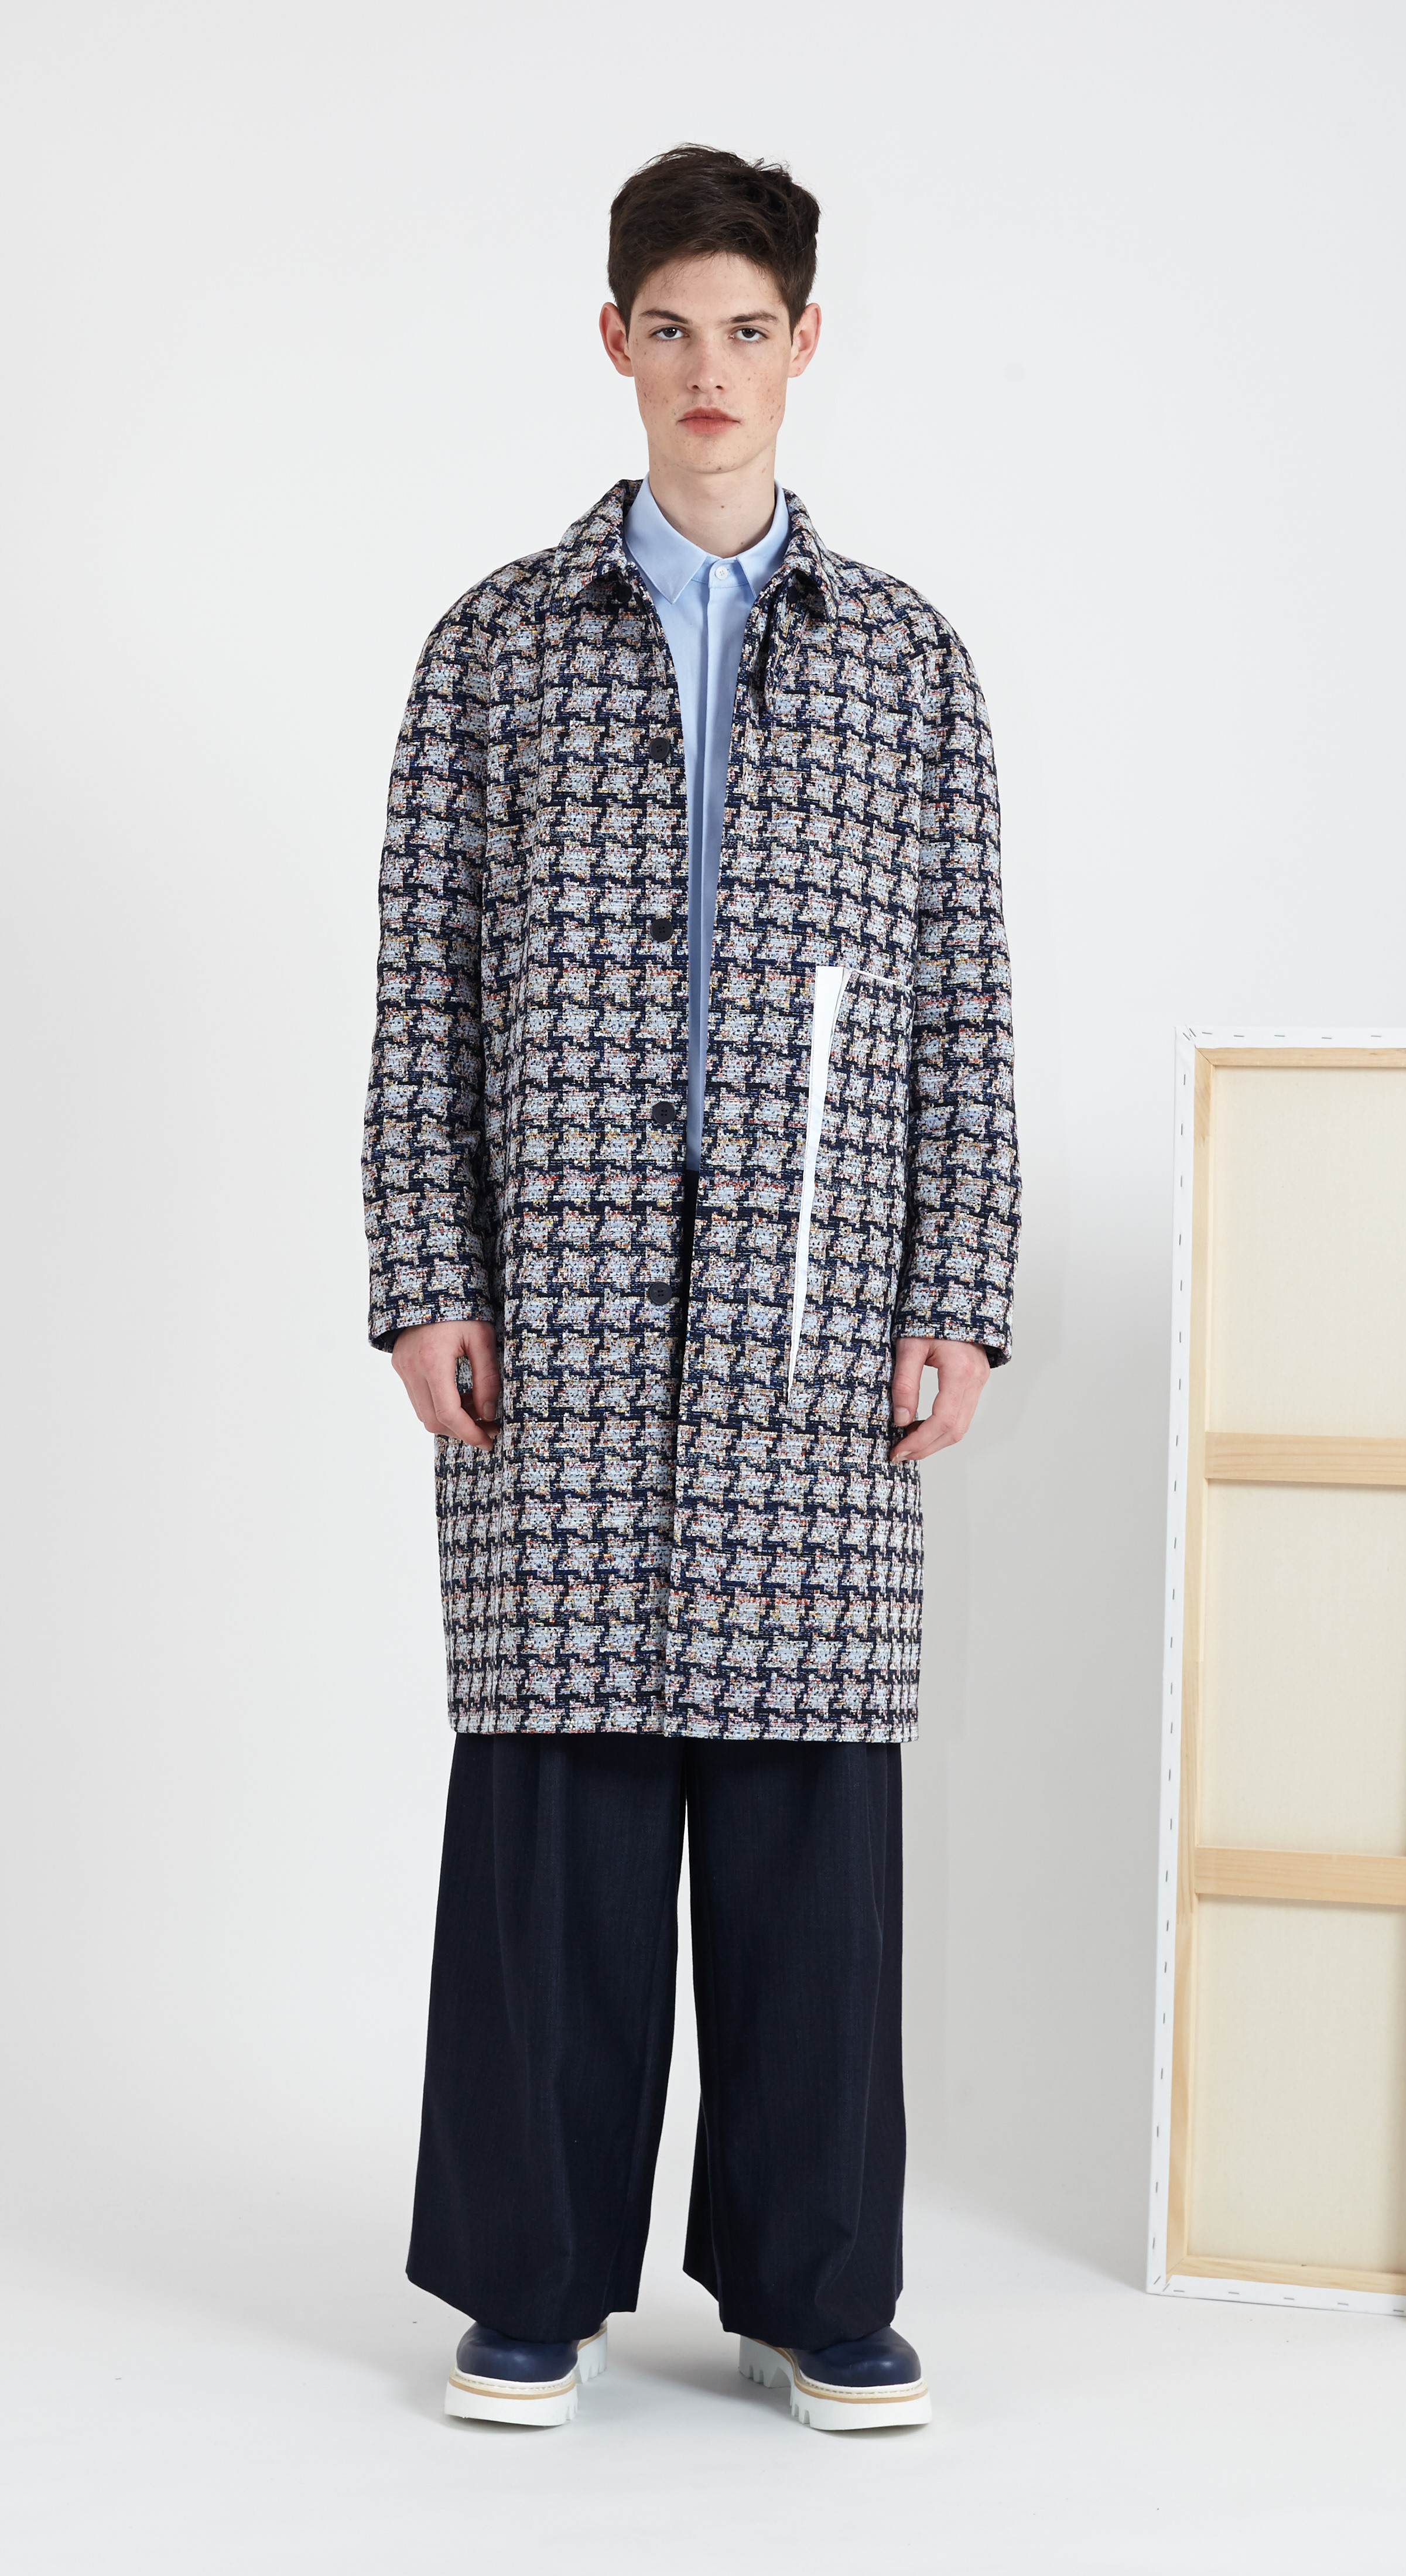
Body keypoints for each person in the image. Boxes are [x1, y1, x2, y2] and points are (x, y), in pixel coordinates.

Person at [362, 143, 1017, 2433]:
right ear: (615, 341)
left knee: (807, 1801)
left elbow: (963, 1006)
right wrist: (422, 1272)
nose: (710, 369)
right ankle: (529, 2276)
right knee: (558, 1778)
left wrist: (961, 1292)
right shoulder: (495, 644)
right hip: (556, 1283)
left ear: (804, 343)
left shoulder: (908, 660)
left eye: (749, 329)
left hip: (818, 1300)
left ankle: (814, 2282)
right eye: (672, 328)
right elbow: (423, 988)